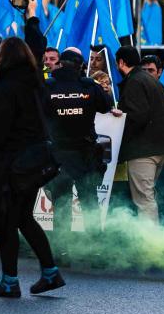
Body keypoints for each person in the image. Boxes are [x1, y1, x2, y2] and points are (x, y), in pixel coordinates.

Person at [0, 35, 64, 297]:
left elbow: (2, 123)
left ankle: (10, 282)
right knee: (24, 217)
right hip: (35, 160)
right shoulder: (36, 83)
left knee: (7, 222)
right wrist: (32, 20)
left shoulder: (7, 86)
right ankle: (50, 272)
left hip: (14, 161)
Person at [42, 48, 112, 256]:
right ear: (81, 66)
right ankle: (94, 249)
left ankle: (60, 249)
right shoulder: (89, 86)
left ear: (60, 64)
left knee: (61, 201)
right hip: (85, 152)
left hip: (58, 153)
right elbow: (106, 106)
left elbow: (37, 112)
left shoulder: (48, 86)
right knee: (89, 201)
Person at [115, 46, 164, 223]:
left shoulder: (134, 82)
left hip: (143, 151)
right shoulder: (153, 81)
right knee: (149, 196)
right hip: (161, 148)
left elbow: (138, 116)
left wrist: (122, 120)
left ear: (121, 63)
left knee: (144, 199)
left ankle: (150, 244)